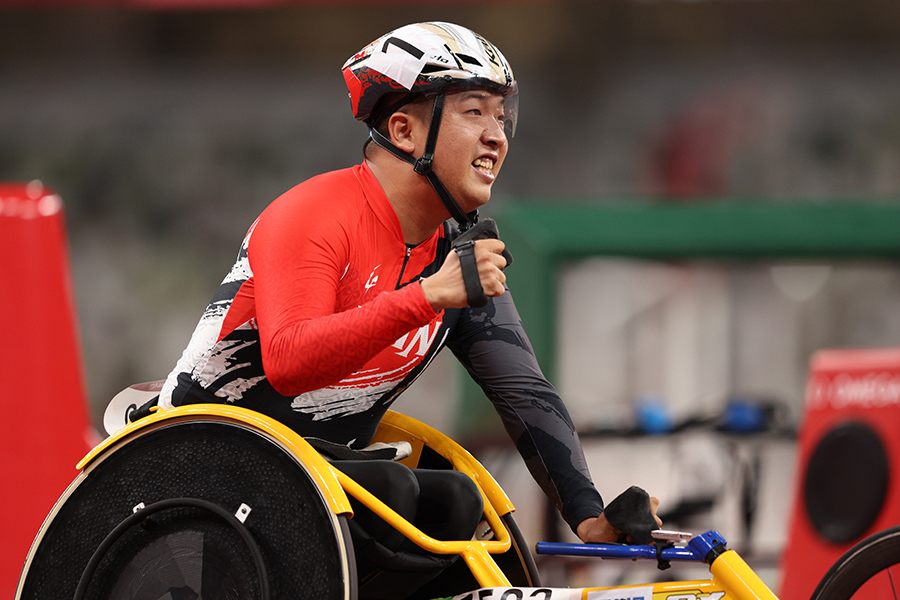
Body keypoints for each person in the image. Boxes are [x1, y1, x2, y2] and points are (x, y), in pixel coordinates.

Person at [157, 21, 660, 599]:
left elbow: (526, 394)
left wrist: (589, 516)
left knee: (455, 500)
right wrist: (426, 296)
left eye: (502, 117)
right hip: (199, 468)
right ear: (405, 130)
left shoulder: (449, 256)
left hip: (311, 481)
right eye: (475, 112)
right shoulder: (313, 214)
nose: (497, 135)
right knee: (394, 491)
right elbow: (289, 363)